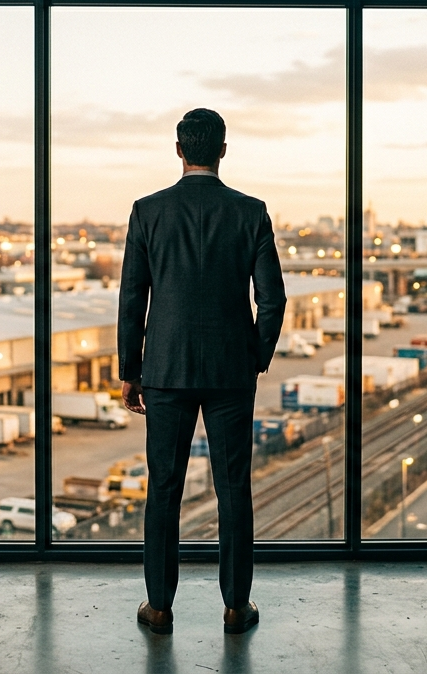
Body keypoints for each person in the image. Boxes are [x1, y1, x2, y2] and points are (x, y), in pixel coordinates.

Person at [118, 108, 286, 637]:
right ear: (223, 150)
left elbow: (132, 298)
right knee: (233, 487)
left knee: (163, 488)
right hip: (231, 373)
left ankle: (160, 607)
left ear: (178, 149)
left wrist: (130, 369)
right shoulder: (251, 212)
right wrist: (254, 356)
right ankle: (237, 607)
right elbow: (273, 299)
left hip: (164, 370)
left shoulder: (147, 211)